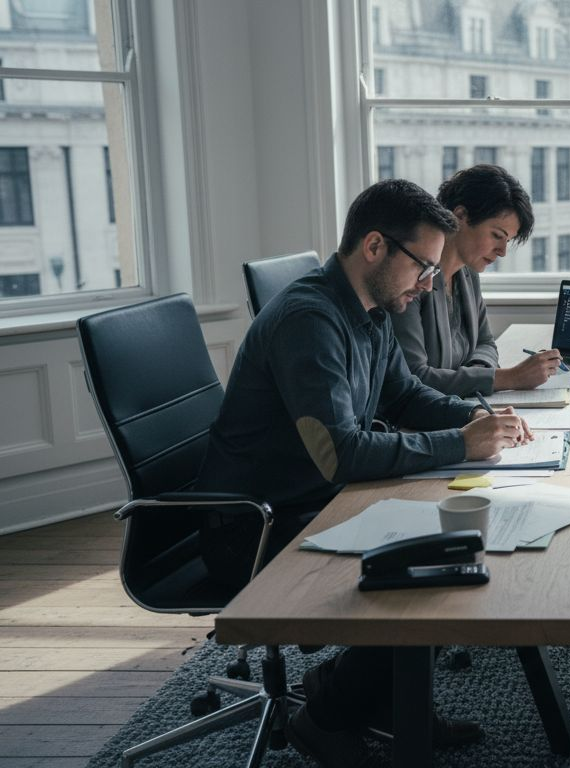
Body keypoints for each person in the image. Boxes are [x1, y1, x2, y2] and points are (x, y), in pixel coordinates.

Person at [195, 178, 532, 767]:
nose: (429, 283)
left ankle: (384, 704)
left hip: (311, 500)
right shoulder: (311, 320)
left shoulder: (371, 308)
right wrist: (459, 441)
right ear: (374, 247)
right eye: (422, 266)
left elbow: (405, 399)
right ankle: (325, 716)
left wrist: (486, 420)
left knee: (454, 537)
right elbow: (341, 454)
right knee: (436, 559)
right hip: (256, 528)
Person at [392, 164, 565, 397]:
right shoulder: (412, 279)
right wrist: (509, 377)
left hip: (462, 405)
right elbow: (414, 377)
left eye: (508, 240)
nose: (502, 251)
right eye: (496, 235)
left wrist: (479, 376)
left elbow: (485, 343)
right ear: (460, 216)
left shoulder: (468, 272)